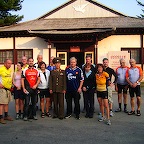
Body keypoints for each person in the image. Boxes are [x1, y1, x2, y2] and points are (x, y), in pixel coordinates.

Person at [0, 59, 13, 124]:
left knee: (6, 103)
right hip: (2, 89)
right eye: (8, 63)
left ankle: (6, 115)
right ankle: (1, 117)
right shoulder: (1, 69)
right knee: (2, 103)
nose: (9, 65)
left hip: (8, 89)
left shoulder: (9, 70)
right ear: (5, 63)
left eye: (10, 63)